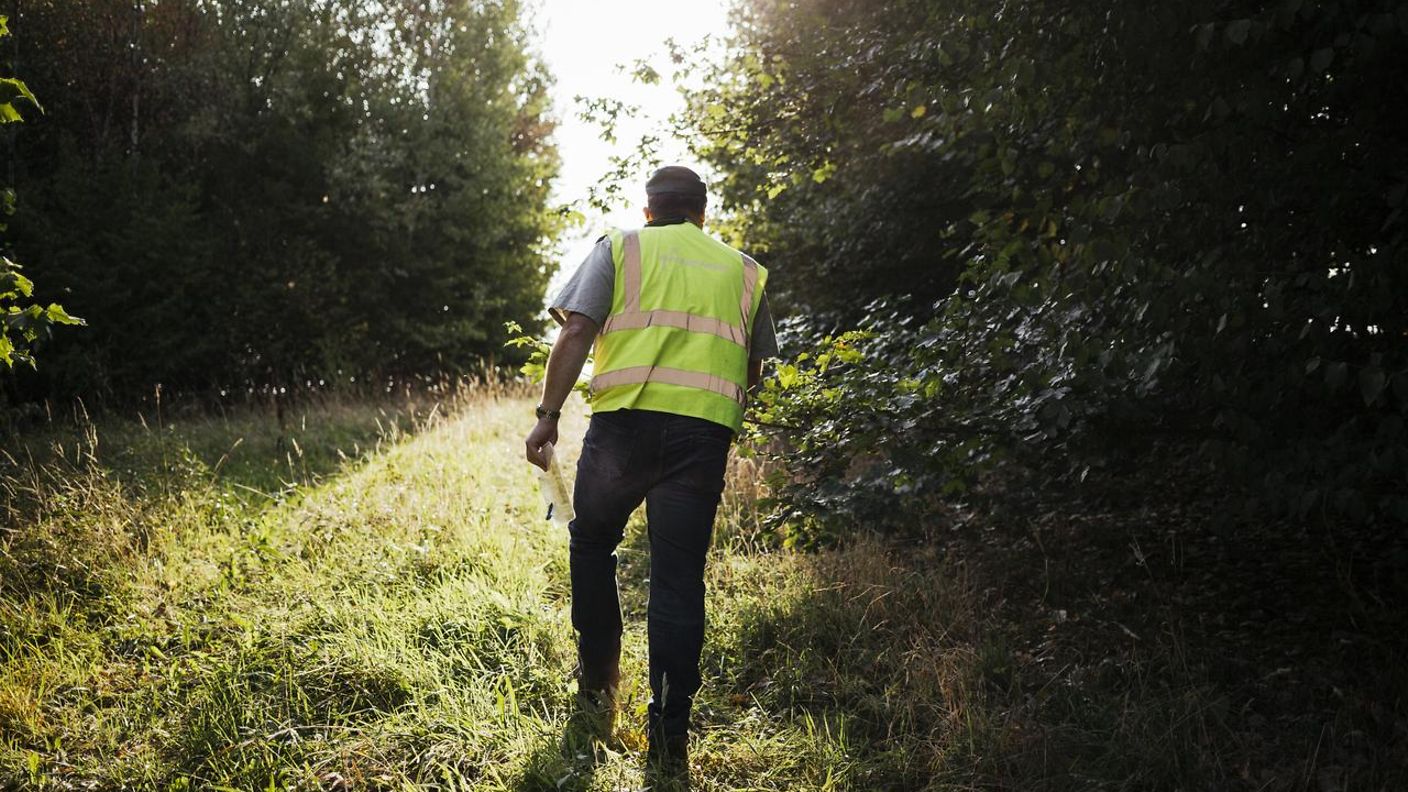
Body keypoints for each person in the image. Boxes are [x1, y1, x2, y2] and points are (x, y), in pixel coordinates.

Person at [524, 165, 778, 771]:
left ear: (648, 210)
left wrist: (547, 414)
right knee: (678, 577)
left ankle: (597, 686)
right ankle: (669, 730)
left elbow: (578, 328)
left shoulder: (620, 247)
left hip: (624, 428)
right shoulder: (743, 270)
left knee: (591, 543)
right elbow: (757, 365)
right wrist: (723, 415)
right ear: (703, 215)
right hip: (701, 436)